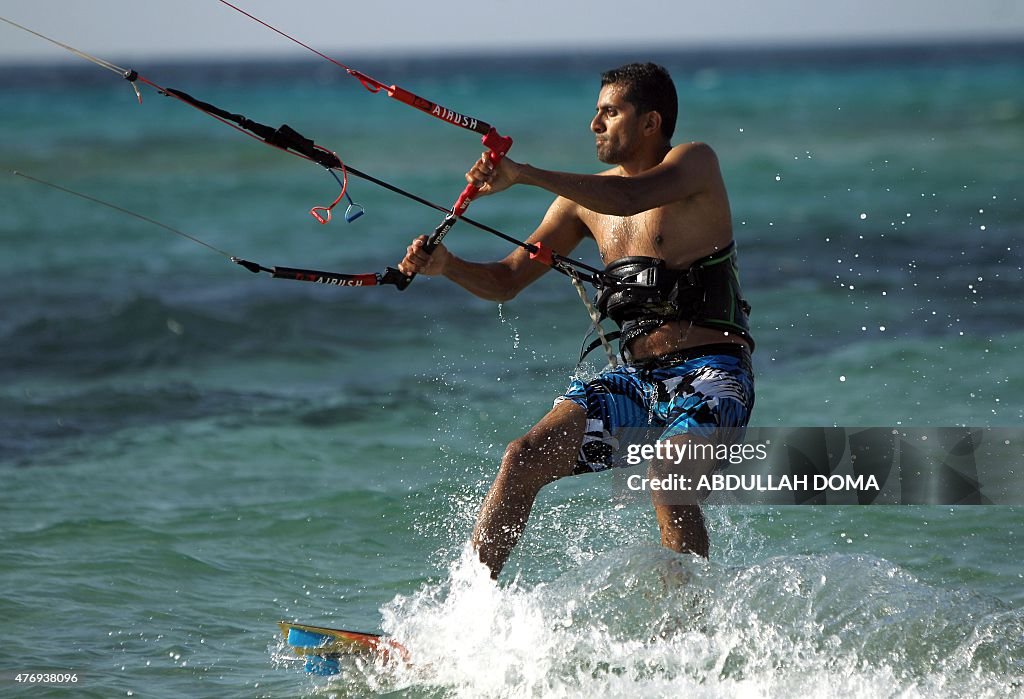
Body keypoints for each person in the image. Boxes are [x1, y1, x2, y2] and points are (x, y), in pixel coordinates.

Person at [398, 62, 755, 579]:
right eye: (595, 112)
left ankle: (689, 634)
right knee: (522, 458)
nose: (595, 124)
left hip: (713, 373)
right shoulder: (579, 207)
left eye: (610, 112)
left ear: (651, 122)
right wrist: (448, 266)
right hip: (637, 382)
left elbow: (632, 198)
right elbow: (507, 280)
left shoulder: (695, 164)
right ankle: (464, 622)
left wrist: (522, 174)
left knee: (666, 476)